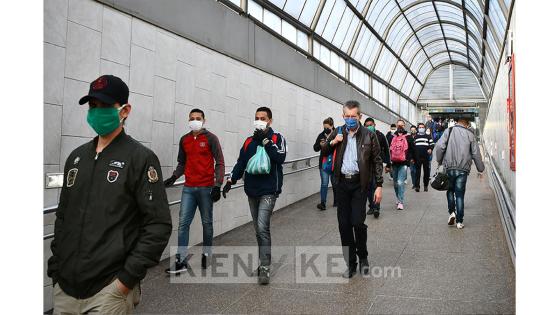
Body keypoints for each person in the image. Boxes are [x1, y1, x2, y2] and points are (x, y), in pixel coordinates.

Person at [47, 75, 172, 314]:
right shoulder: (76, 158)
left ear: (125, 111)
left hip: (109, 292)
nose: (97, 112)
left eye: (105, 106)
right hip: (65, 289)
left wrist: (125, 282)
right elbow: (63, 217)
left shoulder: (140, 158)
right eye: (93, 106)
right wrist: (55, 270)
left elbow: (158, 225)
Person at [222, 106, 287, 285]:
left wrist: (265, 141)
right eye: (257, 117)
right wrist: (231, 180)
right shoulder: (249, 141)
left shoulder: (277, 138)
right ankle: (263, 261)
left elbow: (280, 158)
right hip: (251, 190)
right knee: (258, 230)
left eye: (263, 118)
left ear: (270, 121)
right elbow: (241, 162)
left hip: (269, 191)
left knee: (262, 226)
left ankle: (265, 267)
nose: (259, 120)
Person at [321, 100, 384, 278]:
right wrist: (333, 141)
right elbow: (323, 150)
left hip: (360, 184)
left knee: (357, 222)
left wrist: (379, 186)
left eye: (353, 116)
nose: (350, 119)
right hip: (341, 184)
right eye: (347, 116)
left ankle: (363, 257)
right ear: (343, 116)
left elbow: (377, 161)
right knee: (343, 225)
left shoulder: (368, 135)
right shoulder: (338, 132)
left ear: (359, 116)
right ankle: (350, 263)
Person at [163, 108, 225, 274]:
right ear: (188, 120)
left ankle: (207, 253)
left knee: (207, 223)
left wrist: (218, 185)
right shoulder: (184, 140)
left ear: (204, 120)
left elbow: (219, 162)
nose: (195, 120)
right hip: (189, 188)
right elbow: (182, 163)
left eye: (198, 118)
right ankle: (181, 261)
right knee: (183, 224)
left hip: (206, 188)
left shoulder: (211, 138)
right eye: (192, 118)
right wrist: (174, 177)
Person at [434, 116, 485, 229]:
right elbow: (476, 154)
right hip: (463, 169)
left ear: (458, 123)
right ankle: (459, 221)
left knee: (450, 190)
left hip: (449, 168)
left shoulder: (449, 131)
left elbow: (439, 147)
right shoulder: (470, 135)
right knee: (460, 195)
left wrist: (439, 160)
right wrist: (480, 169)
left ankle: (452, 213)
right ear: (466, 124)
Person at [387, 119, 416, 210]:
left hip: (404, 163)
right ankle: (398, 197)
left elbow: (412, 149)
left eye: (402, 125)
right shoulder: (391, 136)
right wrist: (388, 164)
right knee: (395, 183)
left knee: (400, 182)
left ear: (404, 126)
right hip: (394, 163)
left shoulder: (408, 137)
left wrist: (412, 159)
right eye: (399, 125)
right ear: (396, 126)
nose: (400, 127)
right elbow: (388, 150)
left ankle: (400, 201)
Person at [364, 117, 389, 218]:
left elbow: (386, 149)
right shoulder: (362, 135)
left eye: (371, 124)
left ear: (374, 125)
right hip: (365, 167)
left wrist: (388, 163)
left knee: (375, 186)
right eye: (367, 125)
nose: (369, 126)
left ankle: (376, 208)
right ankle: (371, 205)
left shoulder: (380, 135)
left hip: (376, 166)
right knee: (368, 188)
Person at [313, 117, 336, 210]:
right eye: (324, 127)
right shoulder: (321, 135)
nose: (325, 129)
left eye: (327, 127)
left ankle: (337, 201)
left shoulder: (337, 134)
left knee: (335, 183)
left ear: (332, 126)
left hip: (334, 162)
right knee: (324, 183)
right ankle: (323, 203)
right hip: (324, 163)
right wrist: (320, 145)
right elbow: (315, 148)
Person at [412, 123, 435, 192]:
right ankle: (417, 186)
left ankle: (425, 186)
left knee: (426, 172)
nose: (421, 128)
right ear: (418, 128)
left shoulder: (428, 136)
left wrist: (430, 149)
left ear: (424, 128)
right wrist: (412, 158)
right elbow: (412, 147)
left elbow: (432, 144)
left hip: (426, 157)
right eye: (420, 127)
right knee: (417, 172)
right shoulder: (415, 137)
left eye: (422, 127)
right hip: (417, 157)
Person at [409, 125, 418, 190]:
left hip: (417, 157)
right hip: (411, 157)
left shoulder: (418, 137)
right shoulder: (408, 137)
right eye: (411, 130)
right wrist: (410, 158)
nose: (413, 131)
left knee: (416, 171)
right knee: (412, 171)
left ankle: (416, 184)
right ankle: (413, 183)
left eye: (414, 130)